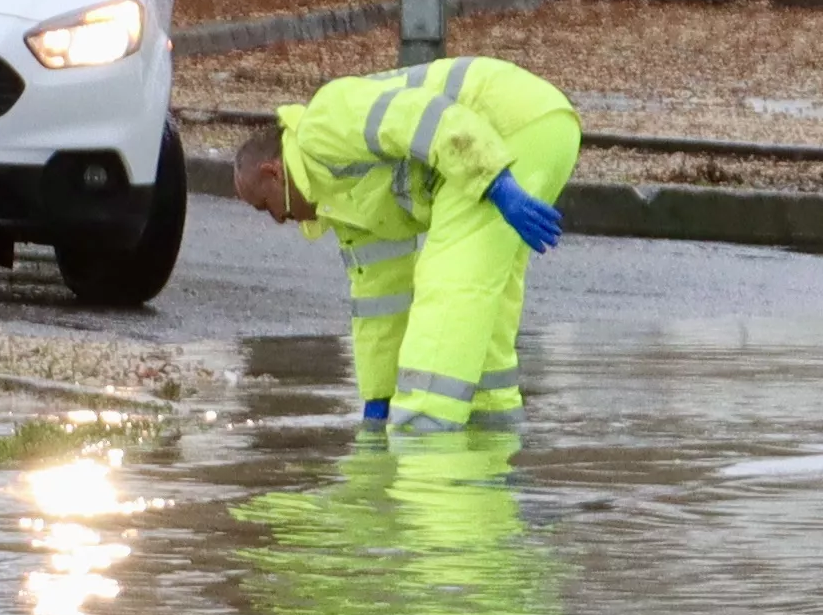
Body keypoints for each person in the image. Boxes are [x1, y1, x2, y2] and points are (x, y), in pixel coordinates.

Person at [226, 51, 582, 437]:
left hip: (506, 127)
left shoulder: (322, 125)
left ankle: (422, 438)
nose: (278, 220)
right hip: (540, 125)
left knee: (451, 283)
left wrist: (493, 179)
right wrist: (378, 400)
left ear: (273, 172)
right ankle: (492, 437)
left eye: (265, 205)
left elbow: (424, 117)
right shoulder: (343, 204)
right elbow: (381, 303)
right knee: (485, 310)